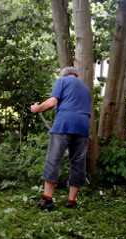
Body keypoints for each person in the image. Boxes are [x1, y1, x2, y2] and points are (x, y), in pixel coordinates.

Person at [30, 66, 91, 211]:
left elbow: (52, 102)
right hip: (83, 126)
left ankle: (47, 199)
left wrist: (36, 108)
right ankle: (71, 201)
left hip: (64, 124)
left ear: (65, 75)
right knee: (78, 162)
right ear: (76, 75)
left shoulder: (62, 81)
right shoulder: (86, 88)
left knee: (54, 159)